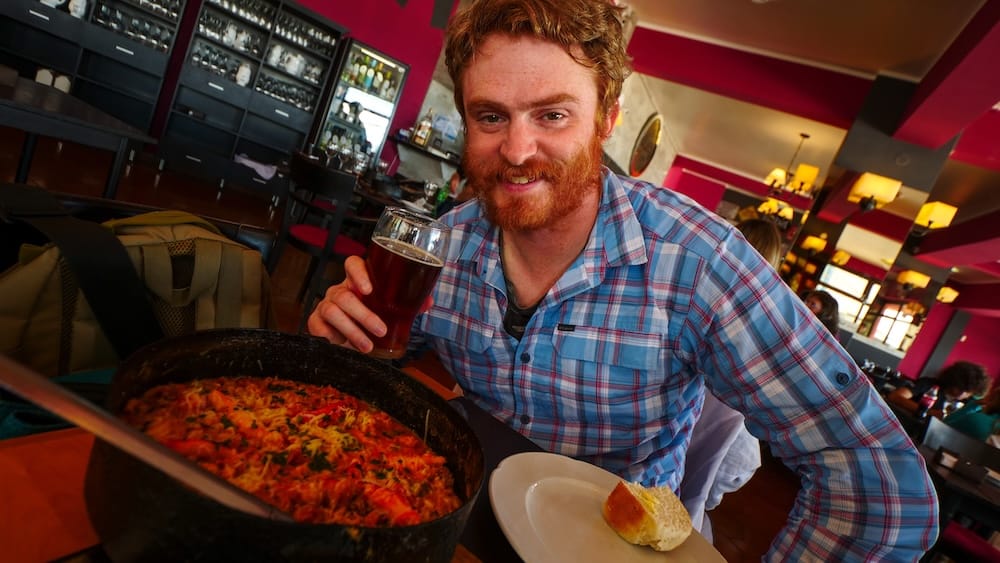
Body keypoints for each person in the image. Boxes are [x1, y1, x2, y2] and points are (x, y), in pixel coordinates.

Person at [308, 0, 938, 559]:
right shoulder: (445, 241)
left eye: (552, 115)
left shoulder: (698, 260)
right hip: (457, 509)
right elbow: (385, 361)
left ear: (606, 119)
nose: (517, 149)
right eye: (491, 116)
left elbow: (878, 482)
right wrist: (348, 339)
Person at [888, 361, 990, 419]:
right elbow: (895, 396)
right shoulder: (928, 384)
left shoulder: (968, 405)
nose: (961, 394)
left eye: (967, 391)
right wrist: (928, 412)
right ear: (952, 380)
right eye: (959, 388)